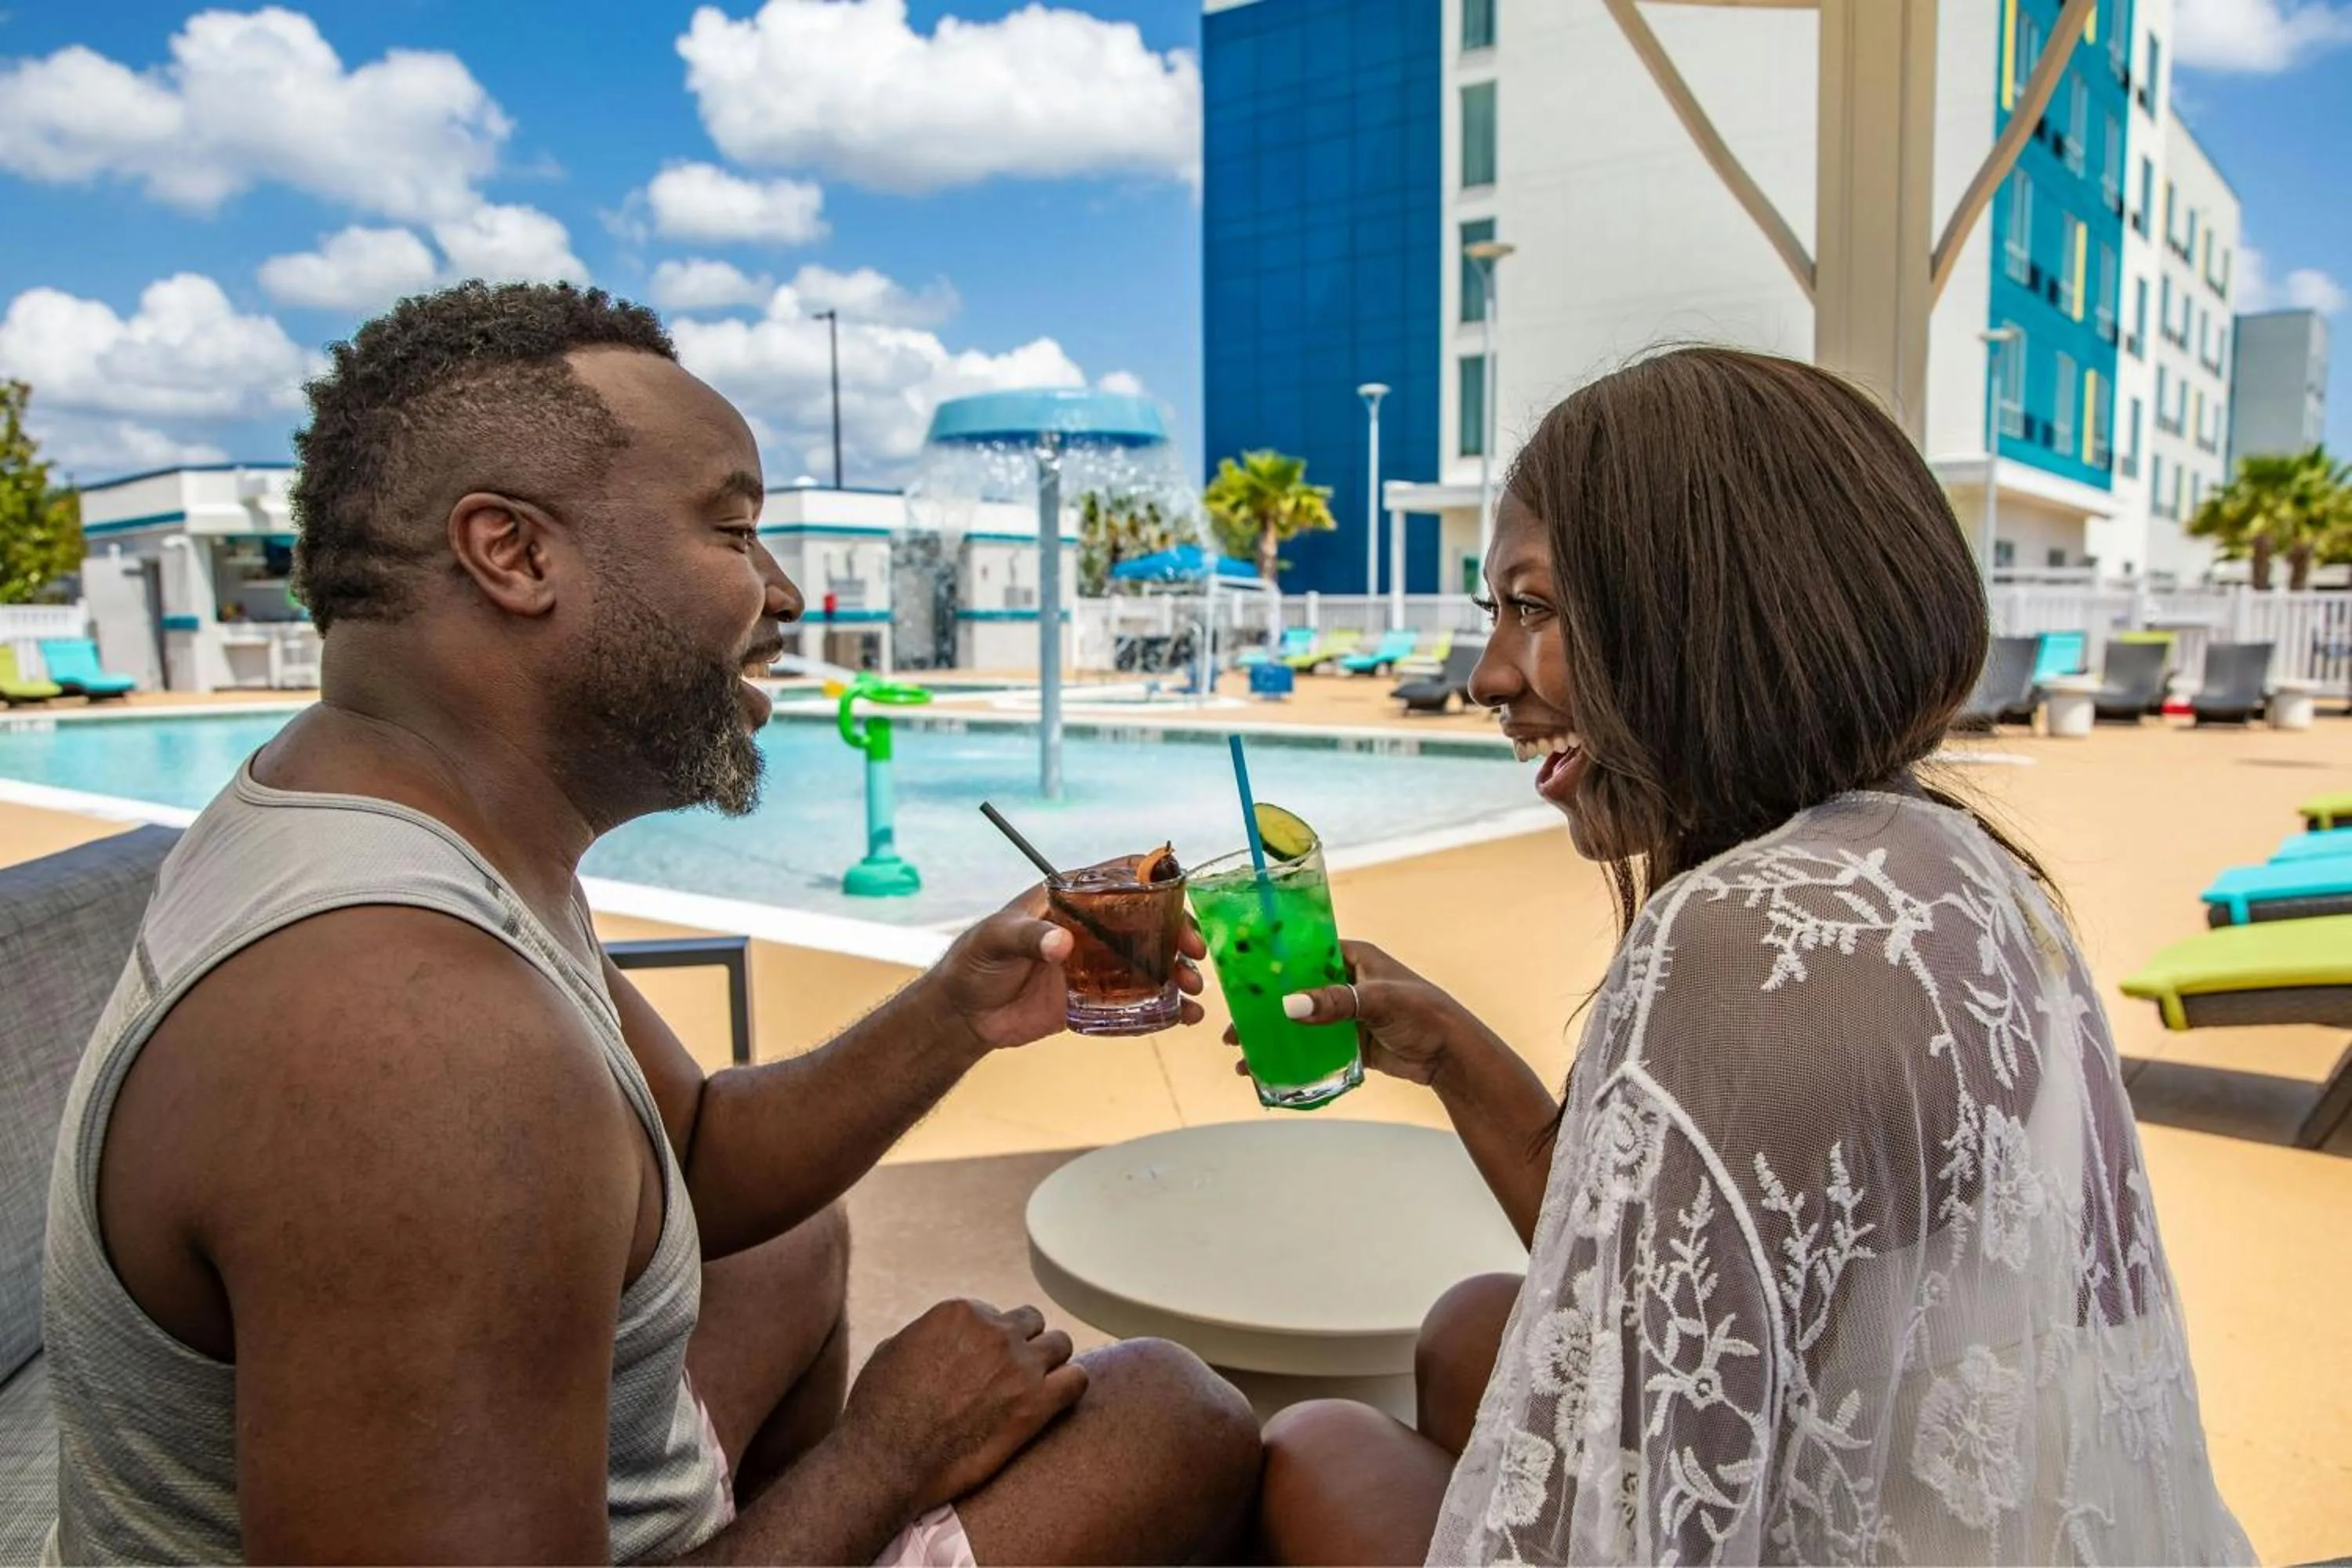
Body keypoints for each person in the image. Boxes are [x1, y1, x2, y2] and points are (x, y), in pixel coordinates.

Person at [42, 281, 1260, 1566]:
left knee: (787, 1238)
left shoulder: (394, 821)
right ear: (514, 554)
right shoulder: (412, 1039)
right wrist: (886, 1454)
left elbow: (692, 1156)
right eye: (733, 531)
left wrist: (961, 1006)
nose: (785, 595)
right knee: (1166, 1416)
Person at [1251, 347, 2251, 1566]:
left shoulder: (1743, 936)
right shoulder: (1958, 867)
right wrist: (1457, 1053)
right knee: (1473, 1329)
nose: (1489, 678)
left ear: (1705, 611)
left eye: (1534, 608)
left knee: (1310, 1444)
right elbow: (1702, 1282)